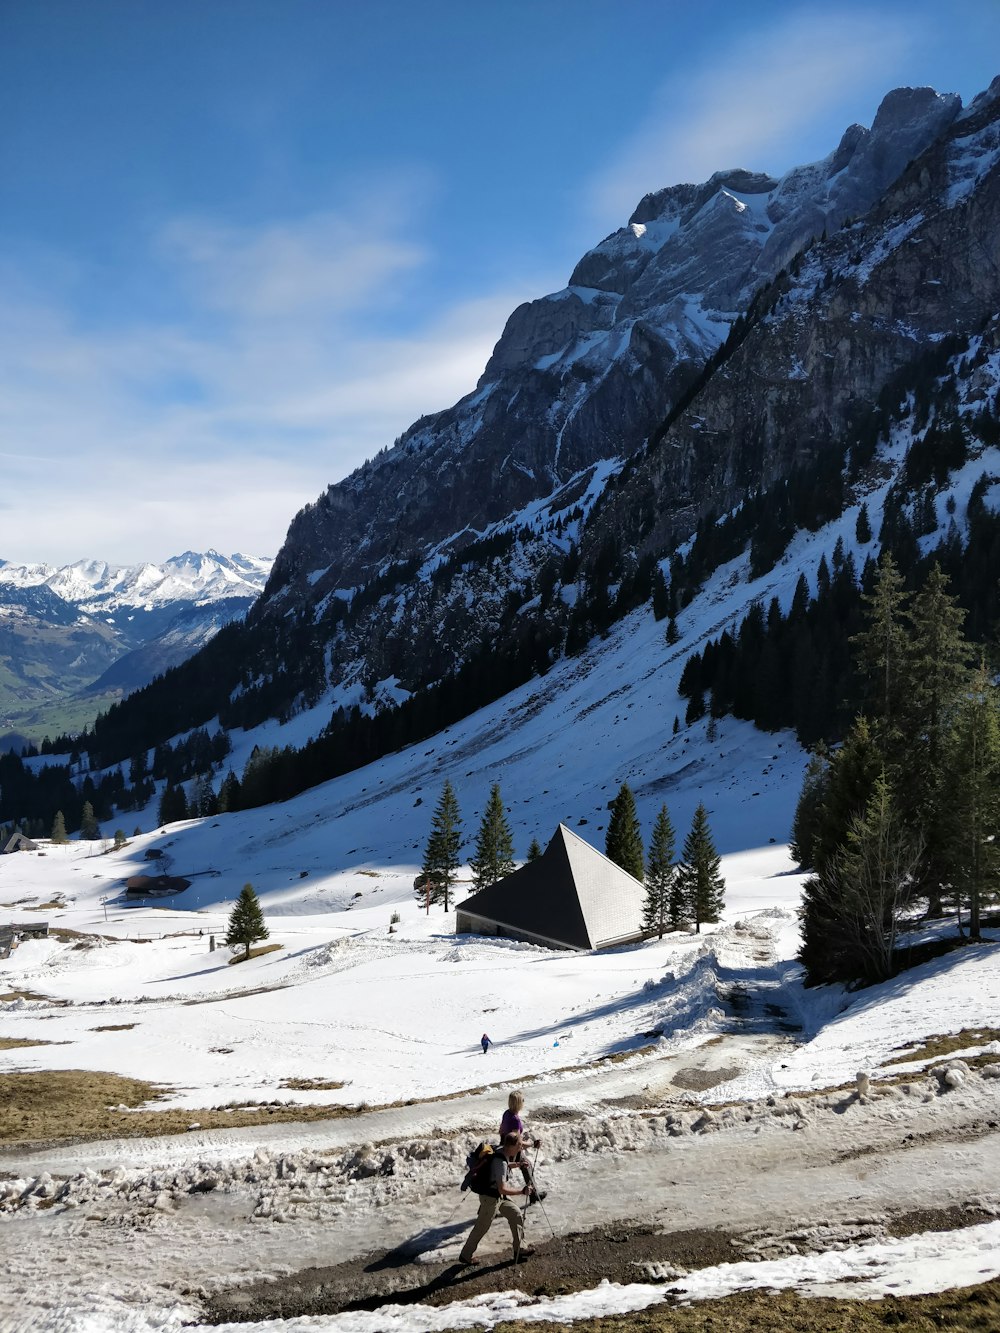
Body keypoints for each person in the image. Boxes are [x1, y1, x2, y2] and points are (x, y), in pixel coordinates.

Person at [458, 1132, 535, 1266]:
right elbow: (502, 1188)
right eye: (520, 1145)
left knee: (516, 1215)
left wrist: (518, 1164)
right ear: (513, 1146)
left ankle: (520, 1249)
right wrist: (522, 1191)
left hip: (497, 1196)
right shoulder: (501, 1161)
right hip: (490, 1199)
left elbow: (501, 1167)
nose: (521, 1148)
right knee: (481, 1227)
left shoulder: (501, 1150)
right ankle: (465, 1255)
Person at [499, 1091, 545, 1202]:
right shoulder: (515, 1120)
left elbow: (501, 1129)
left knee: (504, 1172)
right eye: (522, 1100)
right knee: (526, 1166)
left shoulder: (506, 1113)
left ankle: (501, 1197)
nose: (524, 1102)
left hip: (503, 1145)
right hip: (513, 1150)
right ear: (518, 1103)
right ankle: (533, 1195)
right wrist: (532, 1144)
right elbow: (517, 1142)